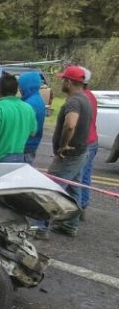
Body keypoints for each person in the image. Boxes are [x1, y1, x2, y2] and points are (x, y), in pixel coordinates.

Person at [46, 65, 92, 237]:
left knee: (50, 189)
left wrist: (63, 144)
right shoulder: (85, 98)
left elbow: (70, 123)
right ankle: (71, 224)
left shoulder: (73, 101)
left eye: (63, 80)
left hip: (69, 155)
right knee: (73, 190)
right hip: (80, 152)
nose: (62, 83)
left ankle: (41, 227)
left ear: (69, 82)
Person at [78, 67, 99, 217]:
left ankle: (76, 210)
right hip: (92, 140)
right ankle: (82, 206)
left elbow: (72, 124)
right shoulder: (90, 96)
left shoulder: (79, 98)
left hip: (84, 142)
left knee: (75, 178)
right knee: (85, 176)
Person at [19, 71, 47, 164]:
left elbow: (24, 128)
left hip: (26, 145)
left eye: (21, 85)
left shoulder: (29, 104)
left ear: (26, 86)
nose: (19, 89)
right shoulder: (37, 99)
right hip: (33, 144)